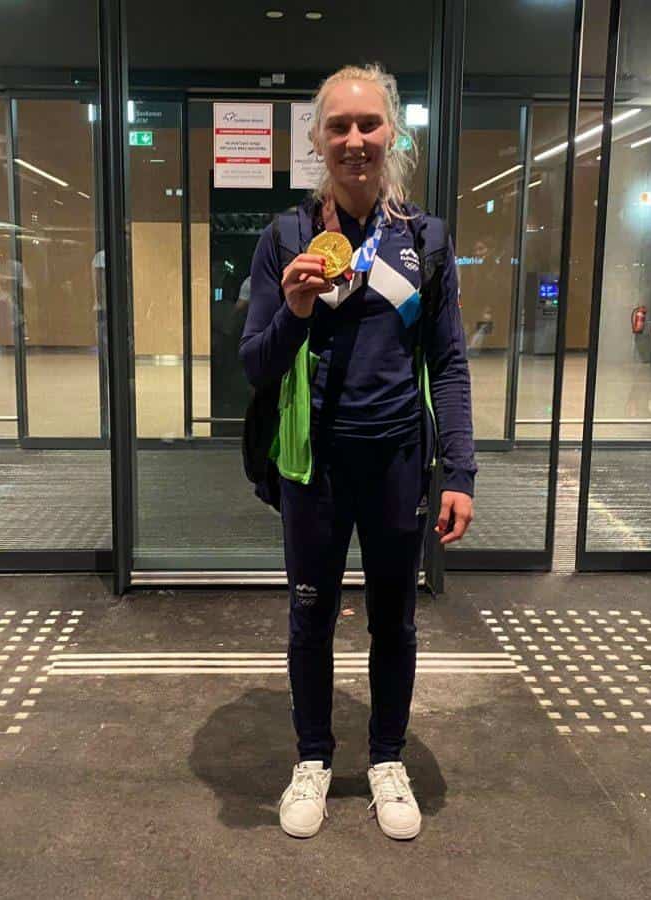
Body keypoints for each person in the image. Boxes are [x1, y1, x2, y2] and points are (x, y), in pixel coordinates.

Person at [239, 64, 475, 841]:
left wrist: (460, 469)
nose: (354, 139)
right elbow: (255, 364)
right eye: (337, 125)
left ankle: (385, 759)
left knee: (393, 621)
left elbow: (448, 361)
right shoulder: (286, 238)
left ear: (392, 133)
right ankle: (312, 756)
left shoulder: (424, 240)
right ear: (316, 139)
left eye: (368, 123)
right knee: (310, 617)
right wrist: (295, 309)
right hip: (314, 470)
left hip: (397, 464)